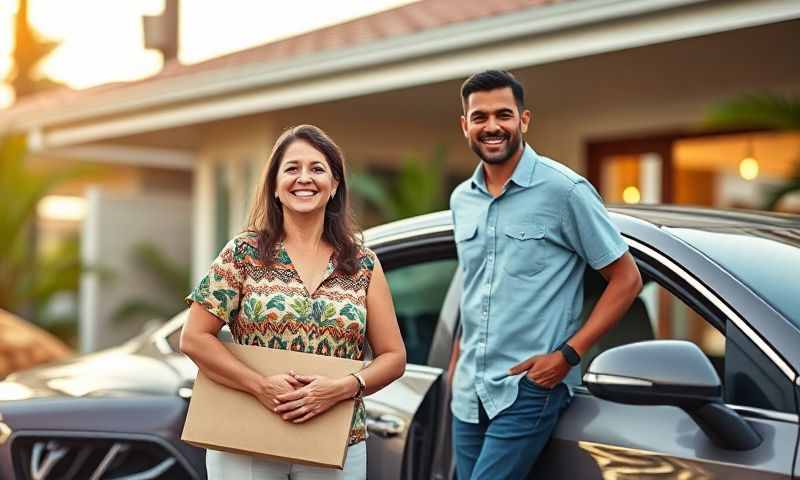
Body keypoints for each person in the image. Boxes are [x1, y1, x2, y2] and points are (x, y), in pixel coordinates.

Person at [181, 125, 406, 480]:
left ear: (334, 186)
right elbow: (193, 338)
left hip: (335, 439)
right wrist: (261, 386)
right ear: (274, 185)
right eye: (292, 168)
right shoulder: (243, 254)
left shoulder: (363, 264)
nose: (305, 178)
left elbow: (394, 357)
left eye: (317, 169)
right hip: (245, 436)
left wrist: (340, 389)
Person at [448, 70, 642, 479]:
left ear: (524, 120)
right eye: (480, 117)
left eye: (504, 114)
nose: (493, 126)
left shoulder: (565, 191)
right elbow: (474, 286)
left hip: (527, 390)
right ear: (465, 125)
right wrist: (455, 365)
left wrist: (567, 357)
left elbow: (626, 279)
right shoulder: (461, 200)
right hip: (467, 393)